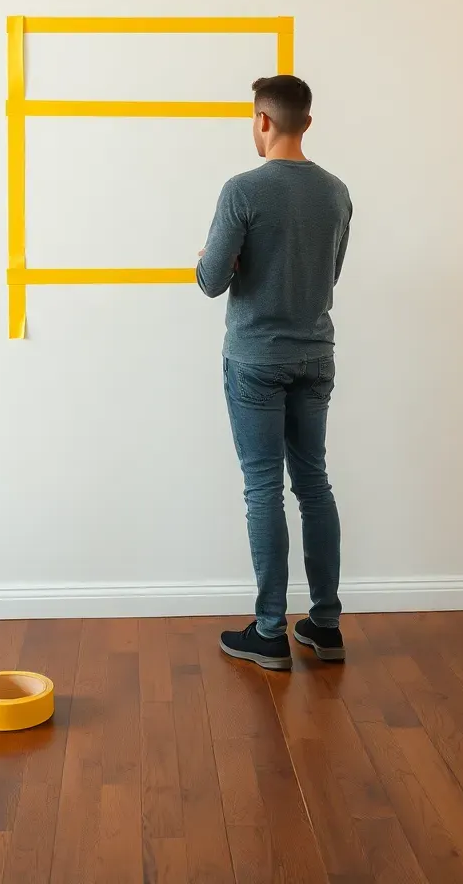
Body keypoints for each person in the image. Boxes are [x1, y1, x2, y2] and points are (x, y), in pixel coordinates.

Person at [196, 75, 351, 670]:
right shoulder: (336, 193)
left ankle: (269, 633)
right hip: (316, 355)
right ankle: (326, 625)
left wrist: (219, 261)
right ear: (306, 122)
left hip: (257, 359)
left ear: (262, 120)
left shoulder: (243, 190)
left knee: (263, 487)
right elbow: (328, 275)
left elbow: (211, 281)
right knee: (314, 483)